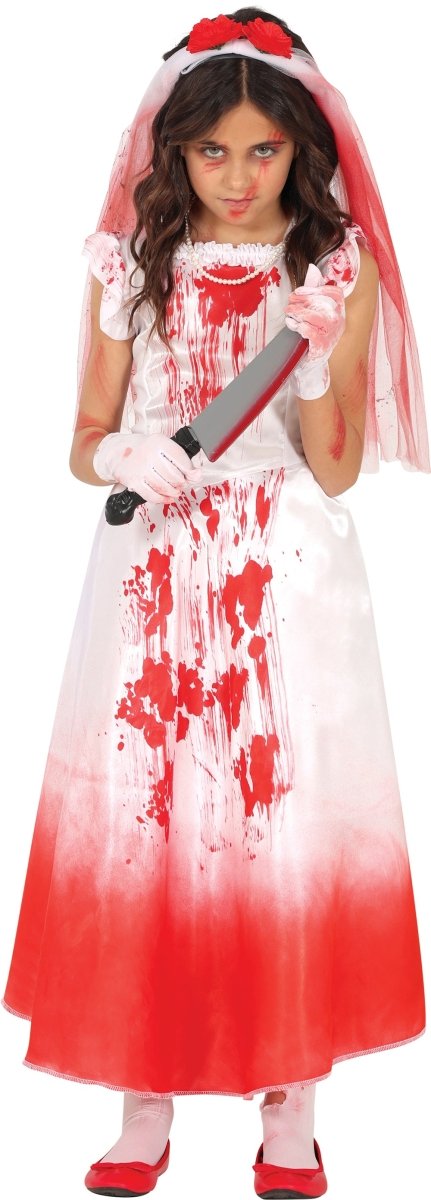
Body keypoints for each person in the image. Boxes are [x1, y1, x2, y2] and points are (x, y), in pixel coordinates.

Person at [1, 8, 429, 1198]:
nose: (236, 178)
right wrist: (120, 455)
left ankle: (291, 1104)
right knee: (148, 814)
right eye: (209, 152)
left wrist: (322, 352)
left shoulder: (329, 272)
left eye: (263, 151)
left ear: (302, 150)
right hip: (152, 572)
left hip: (281, 573)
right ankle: (141, 1095)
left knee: (276, 816)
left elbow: (334, 469)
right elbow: (82, 438)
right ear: (172, 150)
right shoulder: (127, 267)